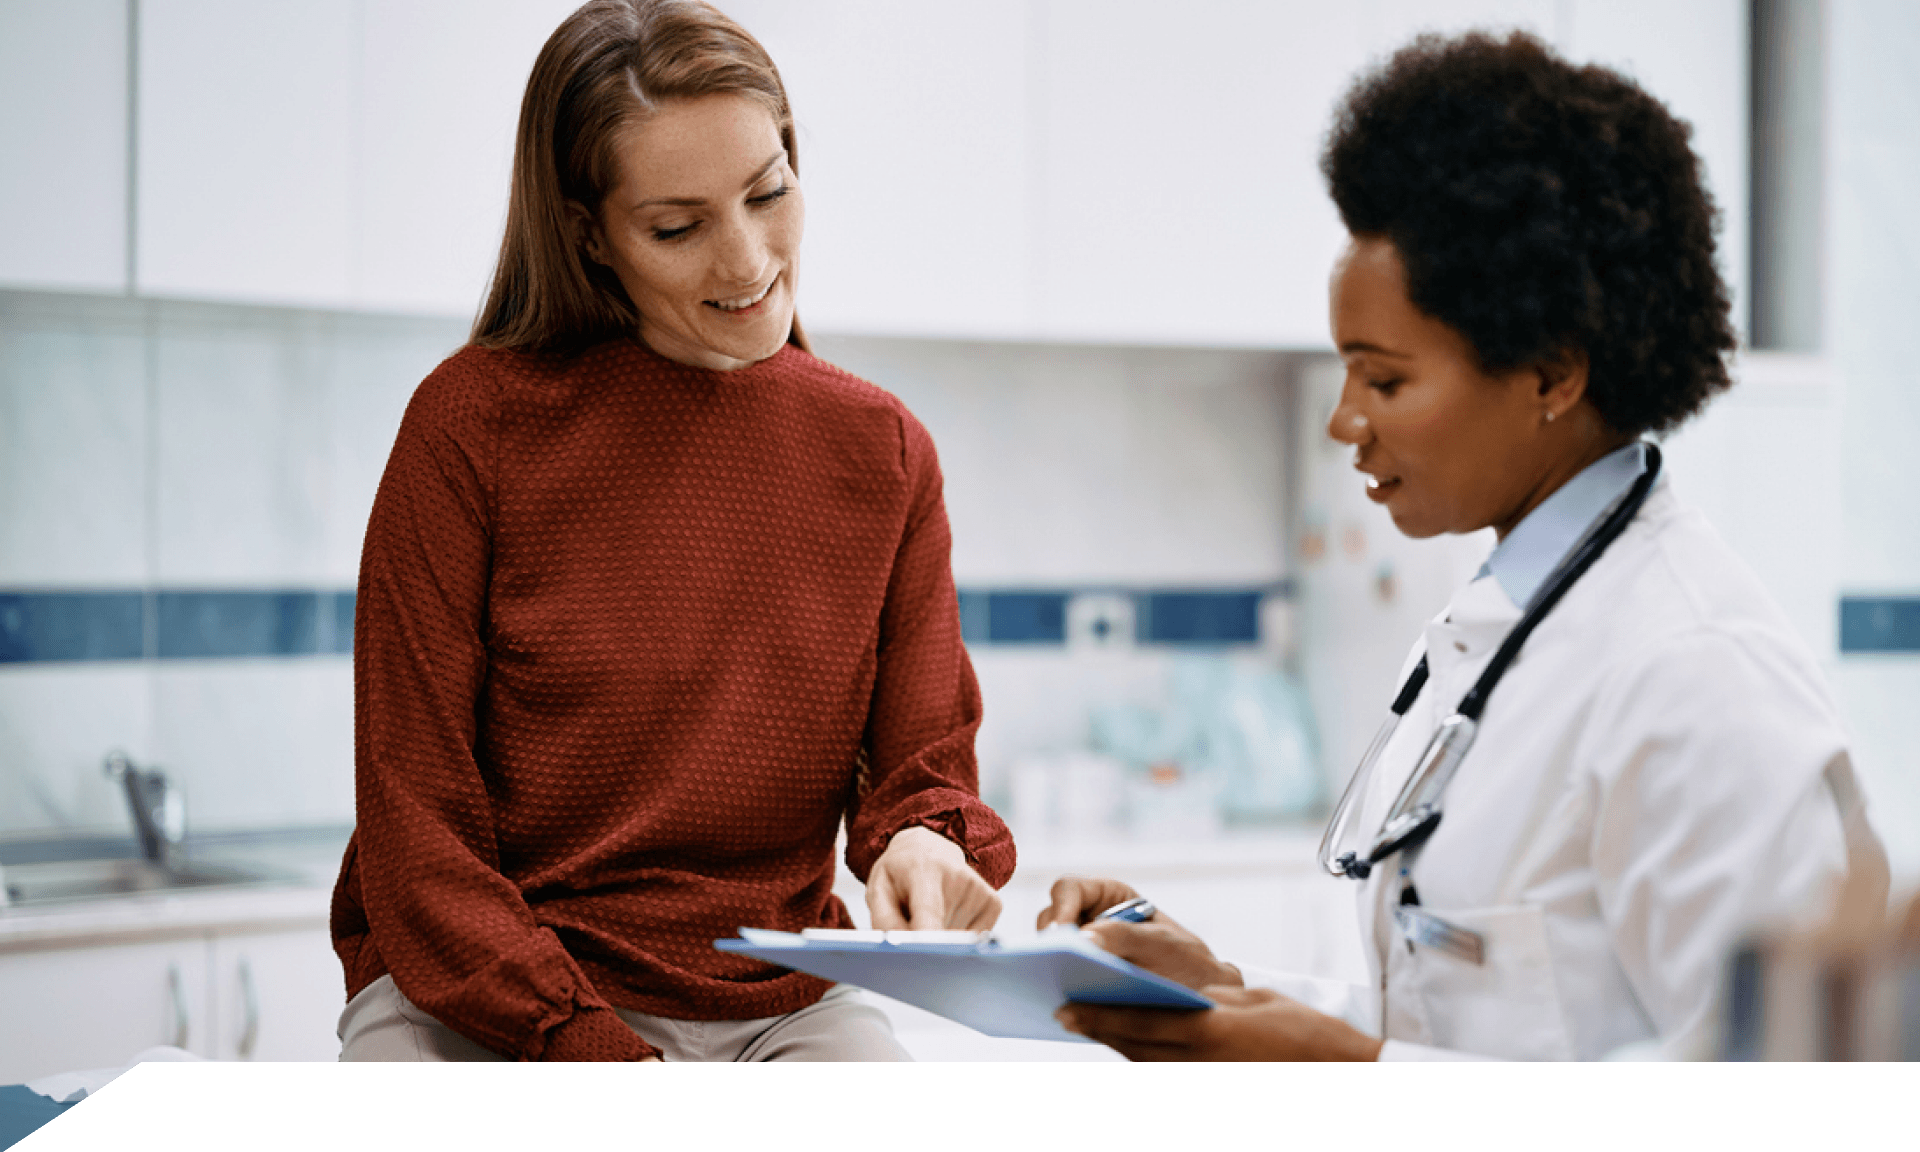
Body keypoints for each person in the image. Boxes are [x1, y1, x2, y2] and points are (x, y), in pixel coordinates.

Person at [1041, 31, 1887, 1061]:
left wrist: (1342, 1075)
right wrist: (1229, 995)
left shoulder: (1697, 676)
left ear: (1551, 374)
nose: (1343, 421)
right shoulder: (1497, 630)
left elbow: (1799, 1089)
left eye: (1385, 380)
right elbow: (1478, 1025)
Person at [331, 0, 1013, 1063]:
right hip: (482, 998)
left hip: (782, 1002)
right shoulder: (470, 428)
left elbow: (922, 768)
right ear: (587, 231)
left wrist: (923, 844)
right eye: (678, 226)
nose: (746, 261)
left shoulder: (885, 453)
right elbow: (415, 836)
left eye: (769, 194)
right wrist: (587, 1048)